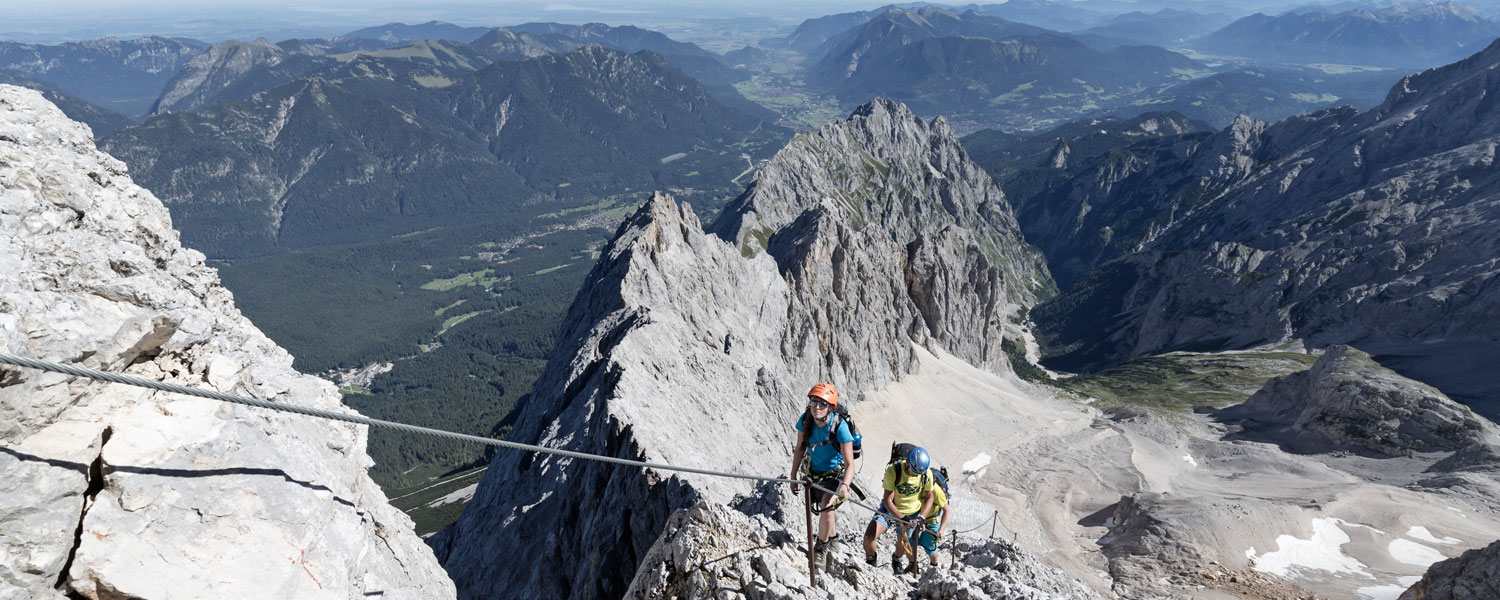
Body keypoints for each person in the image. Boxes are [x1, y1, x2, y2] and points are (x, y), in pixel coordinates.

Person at [788, 382, 856, 559]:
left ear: (830, 407)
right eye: (814, 402)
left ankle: (820, 549)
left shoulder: (840, 427)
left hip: (835, 476)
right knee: (827, 511)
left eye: (822, 404)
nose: (817, 407)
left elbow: (850, 464)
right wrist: (793, 474)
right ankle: (832, 539)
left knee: (826, 507)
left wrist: (845, 485)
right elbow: (800, 449)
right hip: (814, 474)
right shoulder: (806, 421)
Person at [864, 444, 936, 575]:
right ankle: (871, 562)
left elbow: (930, 496)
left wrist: (922, 517)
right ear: (908, 462)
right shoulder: (894, 470)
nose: (915, 475)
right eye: (914, 472)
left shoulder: (926, 474)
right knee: (869, 537)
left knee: (903, 543)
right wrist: (902, 518)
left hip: (912, 513)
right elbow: (887, 499)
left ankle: (896, 559)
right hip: (890, 510)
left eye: (918, 473)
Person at [908, 470, 950, 569]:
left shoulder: (936, 491)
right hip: (915, 517)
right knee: (910, 541)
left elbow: (947, 510)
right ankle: (913, 566)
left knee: (929, 545)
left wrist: (941, 530)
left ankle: (934, 567)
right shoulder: (915, 485)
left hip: (931, 520)